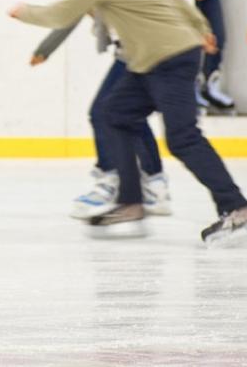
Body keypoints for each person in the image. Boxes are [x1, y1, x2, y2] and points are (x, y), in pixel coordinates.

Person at [10, 0, 247, 248]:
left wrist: (23, 11)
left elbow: (64, 13)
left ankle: (237, 208)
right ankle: (131, 201)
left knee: (183, 138)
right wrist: (199, 25)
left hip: (168, 55)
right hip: (152, 56)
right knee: (113, 114)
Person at [31, 13, 170, 219]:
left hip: (144, 50)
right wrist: (45, 49)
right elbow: (73, 12)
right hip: (133, 51)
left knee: (103, 113)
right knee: (127, 115)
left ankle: (113, 179)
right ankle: (153, 184)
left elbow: (66, 11)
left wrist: (44, 46)